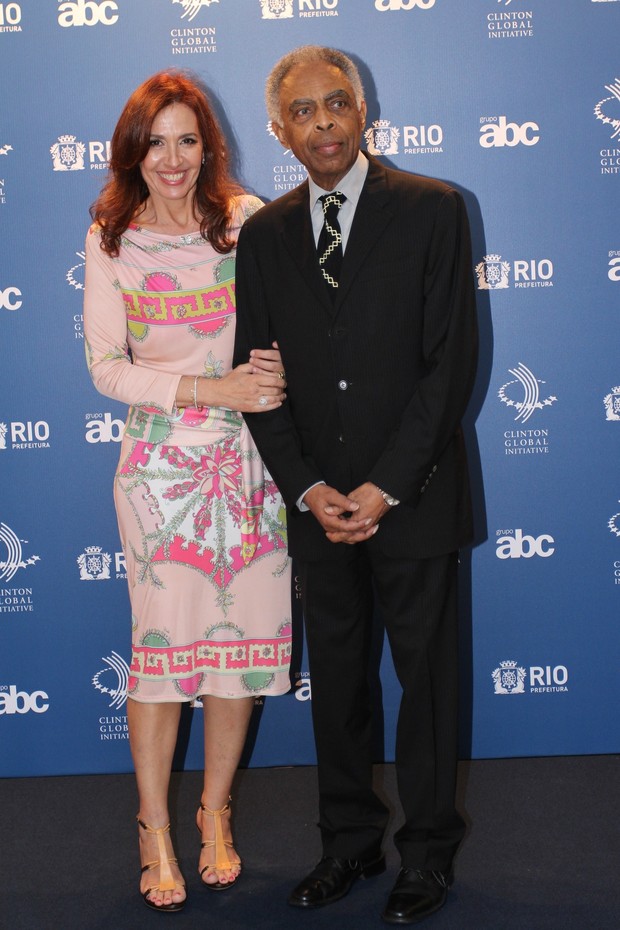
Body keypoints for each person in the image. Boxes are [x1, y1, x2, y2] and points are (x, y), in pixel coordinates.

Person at [233, 46, 478, 925]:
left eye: (338, 103)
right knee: (337, 685)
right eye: (304, 111)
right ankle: (347, 845)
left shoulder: (434, 210)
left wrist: (383, 486)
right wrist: (306, 488)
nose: (324, 122)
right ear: (280, 130)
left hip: (416, 498)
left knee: (429, 688)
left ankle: (429, 854)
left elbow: (451, 367)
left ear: (365, 110)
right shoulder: (262, 237)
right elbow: (257, 376)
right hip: (317, 509)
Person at [84, 70, 292, 913]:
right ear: (133, 151)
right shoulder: (111, 238)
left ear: (210, 146)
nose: (172, 159)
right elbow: (106, 367)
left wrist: (275, 376)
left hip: (254, 467)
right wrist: (214, 392)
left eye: (187, 140)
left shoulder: (247, 223)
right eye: (155, 141)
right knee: (163, 660)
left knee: (235, 659)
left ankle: (213, 815)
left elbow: (291, 327)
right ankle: (154, 828)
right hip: (160, 473)